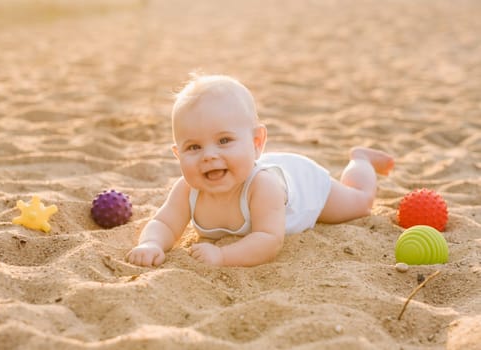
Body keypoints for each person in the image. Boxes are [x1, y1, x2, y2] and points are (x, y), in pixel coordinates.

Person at [126, 74, 394, 267]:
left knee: (360, 202)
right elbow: (164, 223)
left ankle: (361, 161)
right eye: (194, 147)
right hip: (269, 169)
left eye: (224, 141)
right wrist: (151, 243)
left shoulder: (262, 187)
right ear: (178, 154)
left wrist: (222, 256)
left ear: (256, 143)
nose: (209, 156)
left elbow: (268, 240)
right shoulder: (186, 189)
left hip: (304, 187)